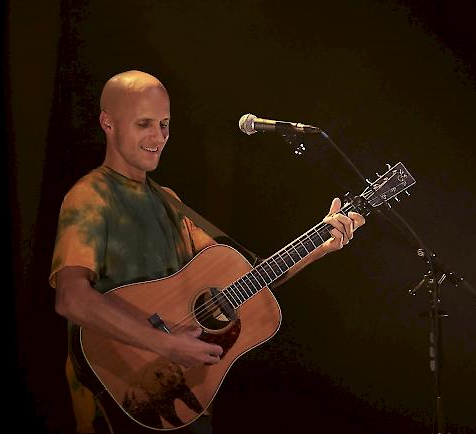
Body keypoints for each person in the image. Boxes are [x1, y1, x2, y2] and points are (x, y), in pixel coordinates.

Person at [49, 70, 365, 434]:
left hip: (183, 401)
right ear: (108, 123)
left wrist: (322, 244)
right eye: (144, 124)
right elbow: (72, 299)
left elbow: (248, 279)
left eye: (165, 124)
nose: (158, 137)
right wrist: (165, 344)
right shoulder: (91, 197)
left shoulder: (169, 202)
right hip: (115, 402)